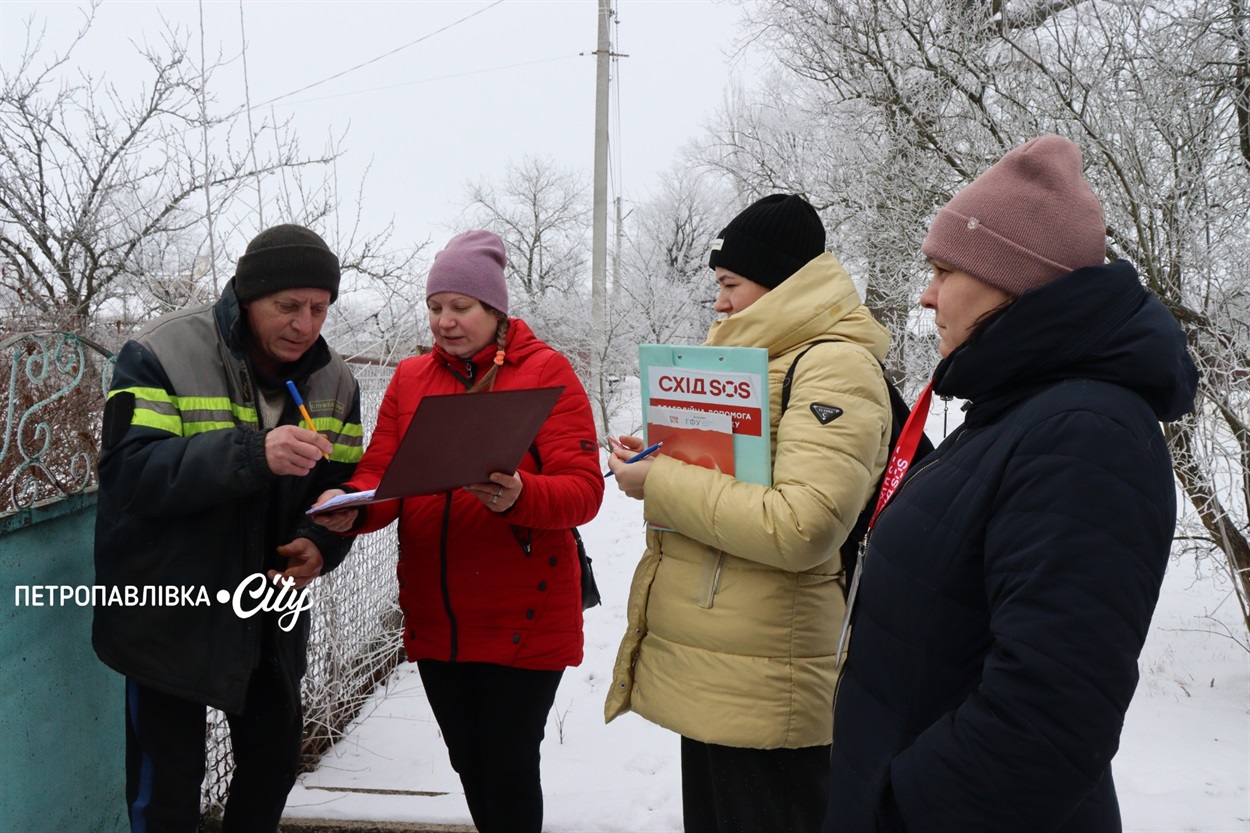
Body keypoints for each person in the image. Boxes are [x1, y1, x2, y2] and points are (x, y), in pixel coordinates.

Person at [823, 136, 1199, 833]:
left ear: (1014, 279)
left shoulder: (1087, 432)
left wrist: (895, 808)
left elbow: (1046, 720)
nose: (926, 293)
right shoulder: (1017, 411)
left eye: (944, 270)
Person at [603, 194, 894, 833]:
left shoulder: (834, 365)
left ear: (779, 279)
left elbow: (802, 526)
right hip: (723, 672)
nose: (720, 303)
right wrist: (661, 452)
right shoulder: (760, 363)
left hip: (771, 689)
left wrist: (662, 481)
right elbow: (737, 479)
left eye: (730, 284)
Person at [310, 229, 604, 833]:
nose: (445, 321)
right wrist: (352, 505)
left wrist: (521, 495)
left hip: (523, 613)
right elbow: (382, 474)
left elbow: (583, 491)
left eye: (461, 307)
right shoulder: (413, 377)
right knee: (470, 763)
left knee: (508, 766)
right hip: (438, 613)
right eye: (435, 307)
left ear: (496, 311)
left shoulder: (546, 371)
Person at [92, 224, 364, 831]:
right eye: (287, 306)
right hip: (167, 609)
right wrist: (252, 454)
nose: (305, 323)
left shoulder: (336, 381)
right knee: (168, 791)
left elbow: (342, 487)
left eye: (319, 308)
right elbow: (131, 476)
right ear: (246, 296)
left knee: (271, 768)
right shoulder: (162, 352)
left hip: (268, 608)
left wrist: (322, 541)